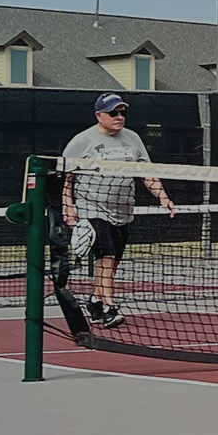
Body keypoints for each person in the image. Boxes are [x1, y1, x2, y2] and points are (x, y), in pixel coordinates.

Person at [60, 93, 176, 329]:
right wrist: (68, 205)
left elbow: (146, 172)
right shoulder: (82, 141)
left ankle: (96, 300)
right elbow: (66, 176)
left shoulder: (133, 139)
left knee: (112, 263)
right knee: (106, 256)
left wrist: (163, 196)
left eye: (123, 112)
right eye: (113, 113)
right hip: (91, 207)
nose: (119, 117)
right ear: (99, 115)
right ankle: (109, 307)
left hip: (122, 210)